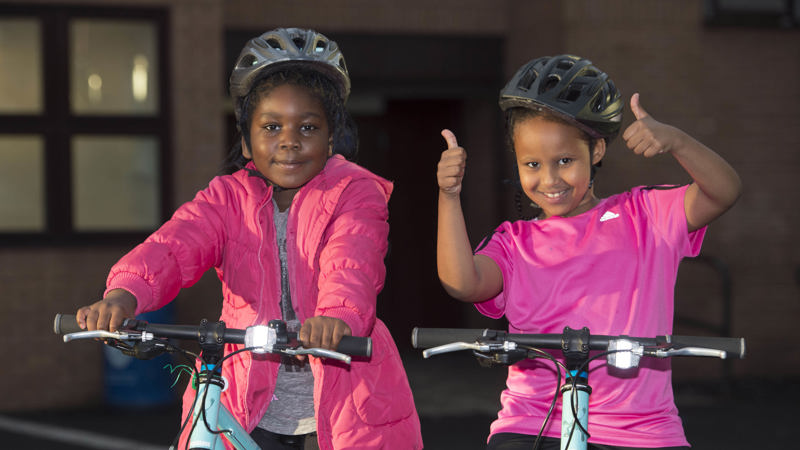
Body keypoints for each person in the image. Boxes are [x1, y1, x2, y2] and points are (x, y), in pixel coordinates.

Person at [76, 28, 422, 450]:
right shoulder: (226, 198)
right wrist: (123, 295)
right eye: (272, 126)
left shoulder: (353, 192)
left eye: (308, 127)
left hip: (341, 404)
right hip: (243, 398)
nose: (289, 141)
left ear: (331, 138)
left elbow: (352, 262)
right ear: (246, 140)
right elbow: (173, 245)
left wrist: (338, 317)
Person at [436, 54, 741, 449]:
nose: (549, 179)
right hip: (534, 423)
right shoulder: (514, 242)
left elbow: (724, 191)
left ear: (595, 151)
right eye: (532, 164)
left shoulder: (646, 215)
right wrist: (448, 196)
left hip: (642, 431)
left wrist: (677, 142)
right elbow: (463, 282)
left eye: (565, 161)